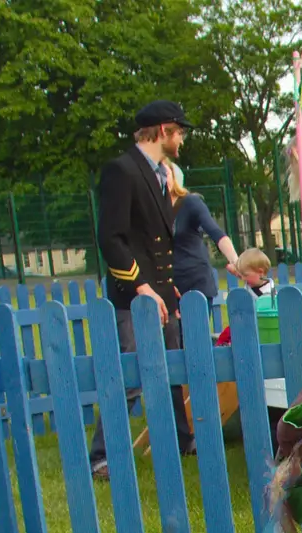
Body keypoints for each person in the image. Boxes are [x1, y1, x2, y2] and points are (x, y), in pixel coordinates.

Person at [89, 99, 196, 479]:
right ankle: (101, 456)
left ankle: (181, 440)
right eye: (179, 130)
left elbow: (156, 244)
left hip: (161, 294)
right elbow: (111, 238)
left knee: (170, 371)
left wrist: (168, 289)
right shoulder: (122, 170)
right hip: (133, 296)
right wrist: (141, 287)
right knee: (131, 375)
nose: (182, 138)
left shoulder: (160, 174)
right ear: (164, 130)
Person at [166, 162, 242, 313]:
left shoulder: (190, 203)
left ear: (173, 177)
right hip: (167, 287)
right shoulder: (152, 208)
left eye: (164, 173)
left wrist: (235, 260)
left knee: (194, 335)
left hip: (195, 284)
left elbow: (216, 232)